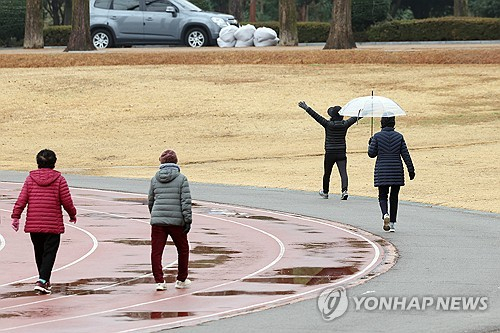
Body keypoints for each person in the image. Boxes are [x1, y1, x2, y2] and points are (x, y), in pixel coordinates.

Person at [11, 149, 77, 294]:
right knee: (49, 253)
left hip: (34, 224)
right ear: (54, 163)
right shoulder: (59, 180)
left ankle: (43, 279)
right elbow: (67, 201)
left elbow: (22, 199)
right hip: (52, 225)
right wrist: (72, 214)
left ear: (38, 163)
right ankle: (42, 280)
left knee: (39, 252)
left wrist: (16, 216)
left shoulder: (30, 179)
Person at [298, 101, 361, 200]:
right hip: (341, 152)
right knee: (343, 172)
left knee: (327, 173)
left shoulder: (328, 124)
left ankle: (325, 191)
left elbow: (316, 116)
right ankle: (344, 191)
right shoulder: (345, 124)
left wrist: (306, 108)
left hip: (330, 153)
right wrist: (363, 111)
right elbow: (354, 118)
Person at [148, 149, 192, 291]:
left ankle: (159, 281)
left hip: (158, 221)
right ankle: (181, 279)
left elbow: (151, 200)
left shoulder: (154, 179)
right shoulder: (182, 179)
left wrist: (155, 215)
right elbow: (185, 201)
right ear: (176, 162)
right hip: (176, 221)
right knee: (183, 249)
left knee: (156, 251)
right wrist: (187, 220)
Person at [368, 116, 415, 232]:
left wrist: (370, 143)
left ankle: (385, 214)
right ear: (393, 123)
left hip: (382, 170)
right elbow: (405, 154)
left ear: (382, 123)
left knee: (383, 195)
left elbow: (371, 154)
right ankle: (392, 223)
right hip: (396, 170)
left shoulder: (377, 136)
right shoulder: (399, 136)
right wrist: (411, 169)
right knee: (394, 197)